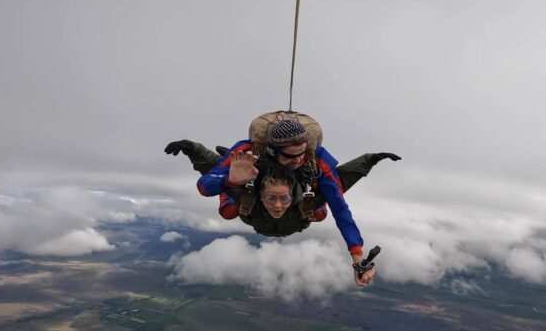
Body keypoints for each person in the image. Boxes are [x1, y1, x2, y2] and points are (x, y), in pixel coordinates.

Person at [165, 120, 400, 286]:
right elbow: (206, 184)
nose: (298, 160)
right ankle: (241, 183)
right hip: (254, 203)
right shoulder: (247, 152)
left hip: (297, 208)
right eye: (291, 156)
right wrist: (228, 178)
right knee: (229, 208)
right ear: (272, 150)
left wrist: (358, 256)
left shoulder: (314, 157)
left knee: (320, 210)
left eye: (301, 154)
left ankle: (278, 192)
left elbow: (339, 206)